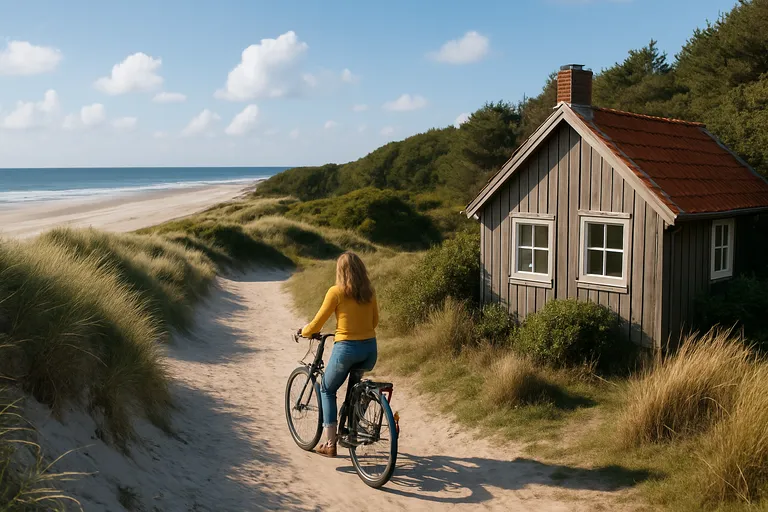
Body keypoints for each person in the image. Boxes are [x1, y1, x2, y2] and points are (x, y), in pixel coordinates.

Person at [300, 251, 379, 458]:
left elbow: (318, 322)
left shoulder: (336, 292)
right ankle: (355, 422)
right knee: (355, 386)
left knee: (327, 389)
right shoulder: (369, 292)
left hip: (347, 349)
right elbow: (374, 323)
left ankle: (329, 443)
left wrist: (305, 331)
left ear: (340, 272)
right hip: (370, 350)